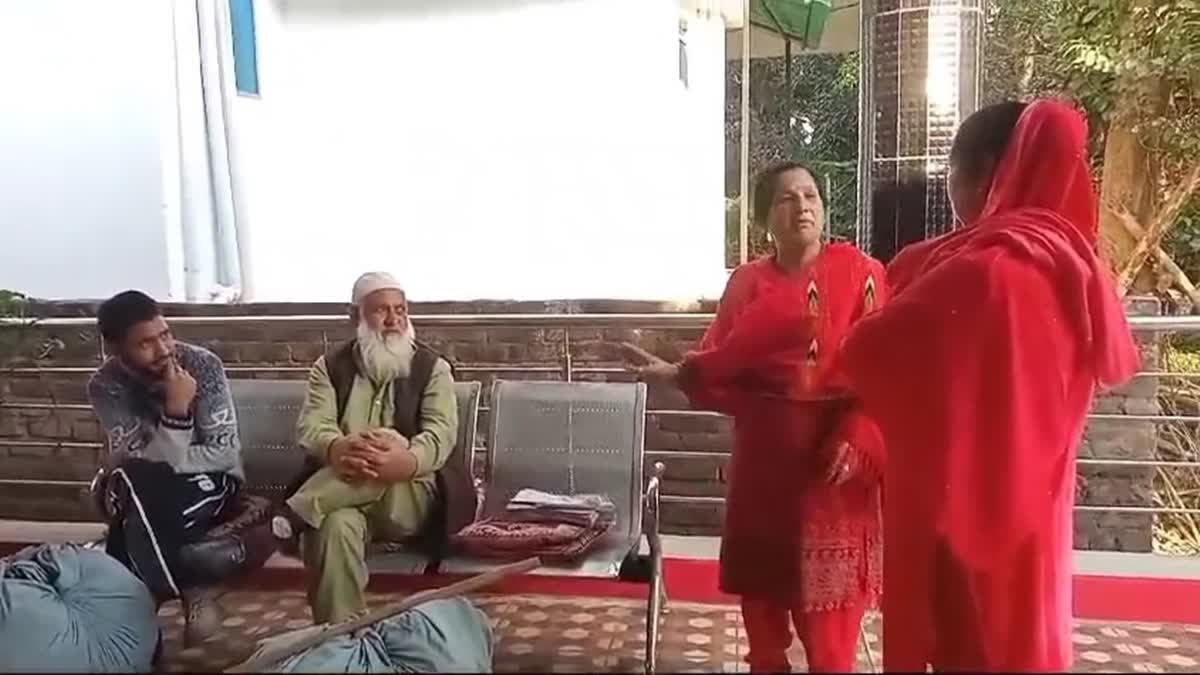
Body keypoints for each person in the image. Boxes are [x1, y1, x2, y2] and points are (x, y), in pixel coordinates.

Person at [837, 100, 1139, 671]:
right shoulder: (1072, 265)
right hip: (1038, 516)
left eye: (950, 175)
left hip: (970, 517)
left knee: (973, 644)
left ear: (983, 170)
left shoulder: (985, 270)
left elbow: (865, 352)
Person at [624, 162, 887, 672]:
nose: (803, 205)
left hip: (833, 478)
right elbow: (717, 362)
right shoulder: (748, 282)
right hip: (763, 476)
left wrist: (858, 435)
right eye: (787, 198)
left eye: (811, 195)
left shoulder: (864, 276)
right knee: (764, 639)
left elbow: (888, 371)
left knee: (831, 648)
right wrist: (677, 373)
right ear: (766, 217)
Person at [277, 271, 469, 624]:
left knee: (389, 442)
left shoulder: (433, 369)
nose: (394, 320)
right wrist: (337, 447)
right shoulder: (329, 368)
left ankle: (296, 513)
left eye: (401, 310)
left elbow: (440, 437)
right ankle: (341, 636)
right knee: (333, 527)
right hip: (346, 494)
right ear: (356, 316)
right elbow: (313, 427)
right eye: (382, 311)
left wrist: (405, 460)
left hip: (409, 496)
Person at [88, 290, 246, 645]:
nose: (163, 350)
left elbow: (222, 454)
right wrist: (176, 413)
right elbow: (138, 460)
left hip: (215, 483)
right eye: (145, 343)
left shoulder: (202, 365)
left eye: (165, 334)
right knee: (140, 486)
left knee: (134, 502)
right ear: (116, 348)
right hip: (146, 490)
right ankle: (192, 590)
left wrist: (169, 437)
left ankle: (134, 623)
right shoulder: (105, 385)